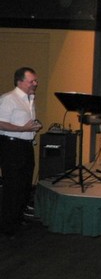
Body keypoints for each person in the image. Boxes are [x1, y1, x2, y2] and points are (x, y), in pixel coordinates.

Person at [0, 67, 42, 237]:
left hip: (25, 146)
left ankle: (17, 219)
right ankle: (7, 225)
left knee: (25, 185)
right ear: (20, 82)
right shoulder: (8, 99)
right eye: (31, 81)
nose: (35, 84)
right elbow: (1, 123)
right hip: (11, 146)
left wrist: (33, 127)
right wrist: (22, 129)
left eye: (35, 81)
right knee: (12, 186)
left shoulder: (29, 99)